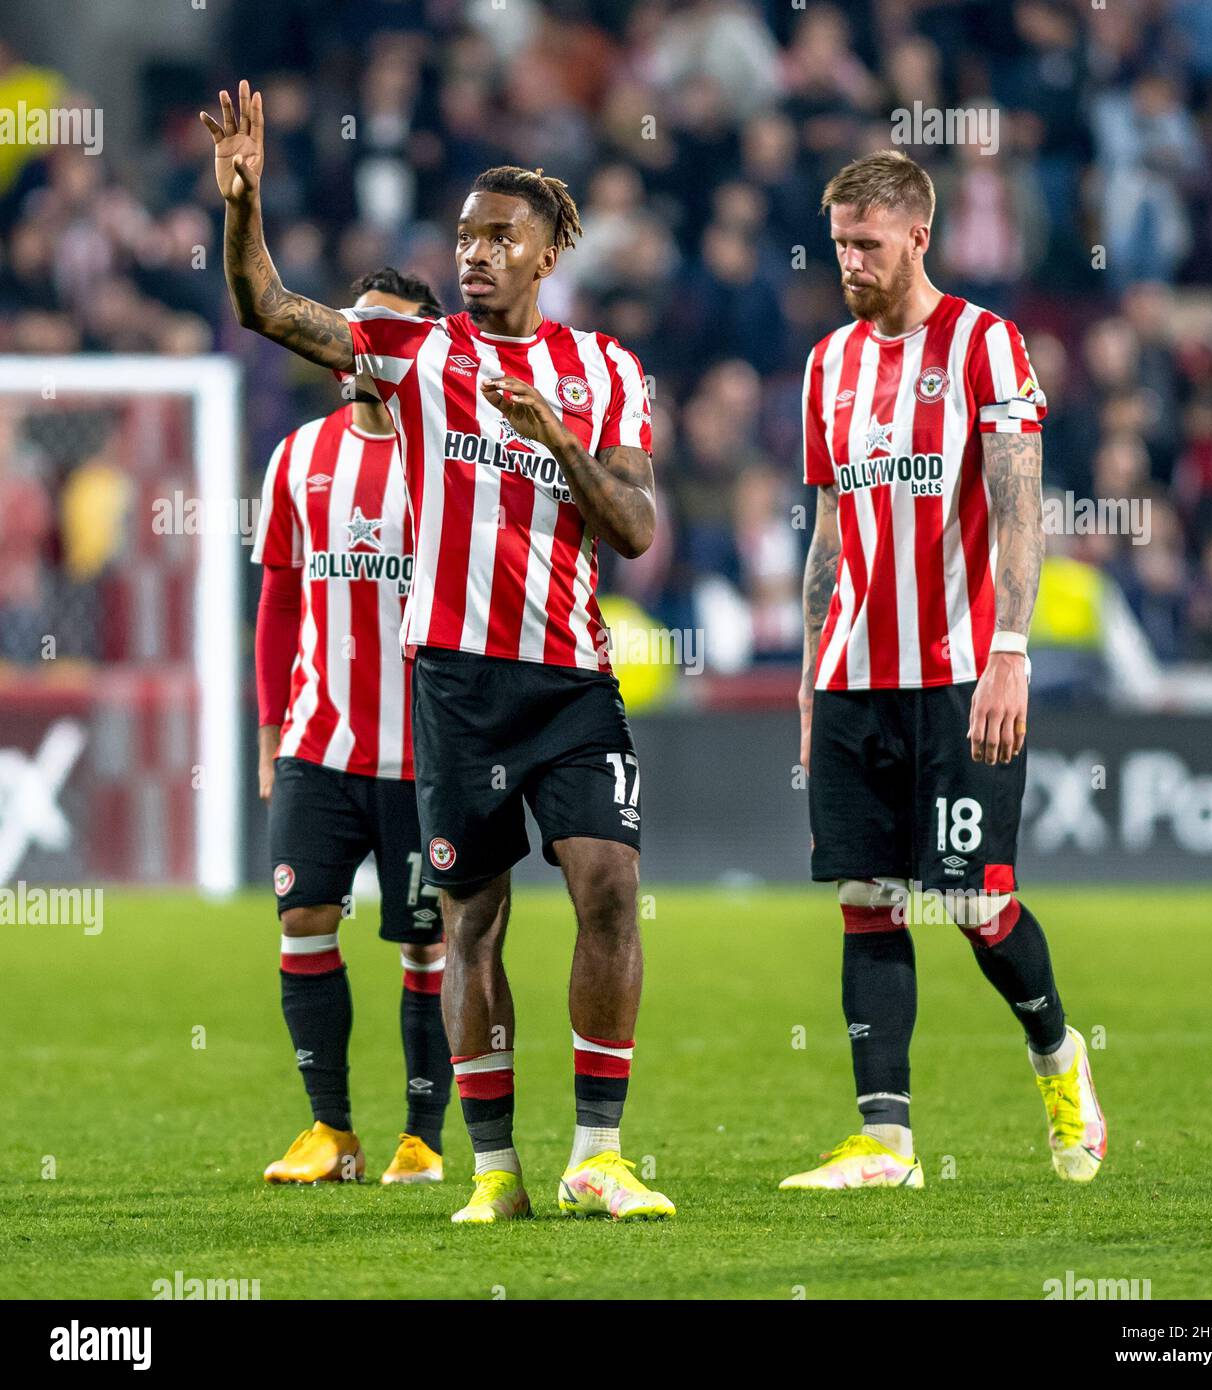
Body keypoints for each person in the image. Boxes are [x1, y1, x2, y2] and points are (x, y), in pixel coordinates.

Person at [204, 80, 674, 1222]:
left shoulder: (605, 371)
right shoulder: (410, 352)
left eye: (498, 237)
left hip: (569, 677)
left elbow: (636, 528)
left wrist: (553, 435)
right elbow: (269, 307)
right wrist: (244, 202)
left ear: (551, 252)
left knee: (608, 882)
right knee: (471, 919)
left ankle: (598, 1154)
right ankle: (496, 1171)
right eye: (462, 236)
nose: (473, 255)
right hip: (454, 683)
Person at [785, 150, 1106, 1192]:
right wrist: (806, 678)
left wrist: (1010, 652)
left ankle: (1058, 1055)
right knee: (867, 896)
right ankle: (885, 1140)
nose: (848, 262)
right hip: (852, 675)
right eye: (839, 244)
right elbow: (828, 529)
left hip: (961, 672)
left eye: (865, 245)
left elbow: (1019, 508)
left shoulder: (985, 344)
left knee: (974, 902)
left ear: (918, 235)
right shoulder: (825, 364)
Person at [253, 268, 454, 1188]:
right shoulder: (296, 458)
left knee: (426, 944)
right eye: (357, 326)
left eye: (390, 330)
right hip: (317, 745)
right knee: (303, 917)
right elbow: (280, 604)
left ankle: (422, 1137)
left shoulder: (448, 466)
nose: (366, 346)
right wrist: (268, 734)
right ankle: (329, 1131)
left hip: (423, 756)